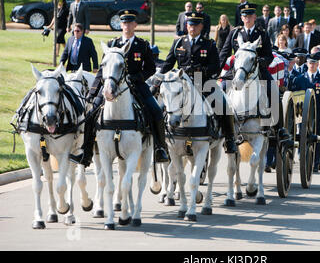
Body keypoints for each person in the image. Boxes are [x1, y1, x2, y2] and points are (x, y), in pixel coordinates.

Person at [70, 9, 169, 166]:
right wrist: (93, 92)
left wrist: (137, 77)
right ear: (121, 25)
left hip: (136, 85)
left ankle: (160, 149)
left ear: (135, 25)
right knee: (91, 113)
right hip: (111, 85)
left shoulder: (142, 45)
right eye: (124, 23)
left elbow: (150, 68)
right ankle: (87, 152)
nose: (126, 26)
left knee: (156, 110)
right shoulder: (112, 44)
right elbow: (102, 70)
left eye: (130, 23)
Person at [161, 11, 237, 153]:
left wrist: (200, 70)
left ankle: (229, 139)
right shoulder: (179, 42)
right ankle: (160, 142)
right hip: (182, 84)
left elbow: (215, 66)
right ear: (186, 25)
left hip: (203, 83)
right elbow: (168, 63)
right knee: (161, 105)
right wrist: (159, 77)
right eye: (190, 24)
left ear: (201, 26)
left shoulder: (209, 44)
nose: (192, 28)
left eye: (196, 25)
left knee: (224, 106)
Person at [219, 3, 289, 140]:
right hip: (237, 72)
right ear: (242, 17)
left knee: (273, 90)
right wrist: (216, 71)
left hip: (259, 72)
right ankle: (221, 125)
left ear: (255, 17)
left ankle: (279, 127)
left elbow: (269, 55)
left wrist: (259, 62)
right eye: (245, 16)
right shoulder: (234, 33)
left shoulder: (262, 33)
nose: (248, 19)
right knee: (220, 88)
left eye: (250, 16)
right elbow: (224, 53)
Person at [288, 52, 320, 172]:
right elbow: (295, 96)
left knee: (316, 137)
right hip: (301, 112)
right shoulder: (300, 79)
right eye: (310, 63)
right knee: (302, 136)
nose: (312, 65)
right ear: (307, 64)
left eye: (314, 63)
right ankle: (304, 159)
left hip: (316, 113)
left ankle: (316, 162)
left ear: (317, 64)